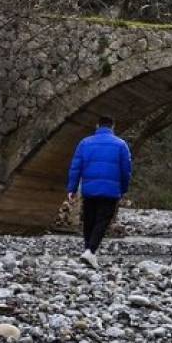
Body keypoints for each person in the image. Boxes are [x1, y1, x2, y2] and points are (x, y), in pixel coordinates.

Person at [67, 115, 132, 269]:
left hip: (89, 189)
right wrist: (123, 189)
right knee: (102, 221)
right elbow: (126, 171)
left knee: (89, 220)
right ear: (113, 127)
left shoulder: (85, 143)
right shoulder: (121, 145)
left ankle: (88, 251)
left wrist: (72, 188)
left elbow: (75, 167)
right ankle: (90, 251)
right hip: (110, 191)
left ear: (97, 126)